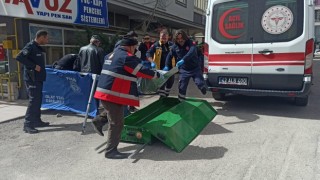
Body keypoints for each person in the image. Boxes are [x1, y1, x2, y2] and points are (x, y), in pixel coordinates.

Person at [91, 34, 163, 159]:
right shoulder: (127, 57)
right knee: (117, 122)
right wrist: (155, 74)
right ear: (129, 46)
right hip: (112, 94)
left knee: (113, 112)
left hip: (105, 91)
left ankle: (99, 121)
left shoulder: (110, 55)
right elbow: (140, 71)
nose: (135, 50)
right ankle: (110, 151)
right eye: (134, 47)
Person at [16, 30, 50, 134]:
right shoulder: (30, 46)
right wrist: (34, 66)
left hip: (38, 79)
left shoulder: (37, 47)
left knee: (38, 100)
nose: (48, 40)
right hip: (32, 79)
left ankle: (36, 121)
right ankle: (27, 124)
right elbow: (19, 57)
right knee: (33, 101)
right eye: (46, 38)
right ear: (41, 37)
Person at [164, 29, 207, 101]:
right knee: (182, 86)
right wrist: (166, 66)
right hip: (184, 70)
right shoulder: (175, 47)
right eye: (178, 39)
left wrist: (183, 60)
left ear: (185, 37)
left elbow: (192, 51)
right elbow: (169, 56)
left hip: (195, 68)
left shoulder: (190, 43)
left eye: (182, 38)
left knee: (199, 82)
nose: (180, 40)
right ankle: (181, 100)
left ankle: (202, 87)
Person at [146, 29, 175, 98]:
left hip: (170, 69)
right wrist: (152, 62)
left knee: (170, 83)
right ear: (159, 37)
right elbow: (148, 53)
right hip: (160, 69)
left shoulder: (172, 45)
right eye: (162, 38)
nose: (163, 39)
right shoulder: (156, 45)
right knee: (161, 84)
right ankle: (162, 98)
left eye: (165, 38)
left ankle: (166, 95)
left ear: (168, 37)